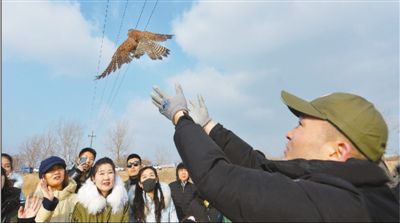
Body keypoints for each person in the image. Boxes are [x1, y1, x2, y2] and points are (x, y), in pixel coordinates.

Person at [151, 84, 399, 222]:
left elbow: (220, 180)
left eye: (301, 125)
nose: (289, 133)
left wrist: (181, 119)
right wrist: (209, 127)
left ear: (338, 150)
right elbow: (261, 167)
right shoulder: (357, 189)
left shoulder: (340, 205)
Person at [71, 157, 129, 222]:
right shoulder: (82, 205)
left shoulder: (122, 203)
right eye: (102, 173)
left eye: (110, 172)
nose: (106, 177)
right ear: (93, 178)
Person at [33, 156, 78, 222]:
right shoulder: (34, 201)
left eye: (60, 168)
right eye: (51, 170)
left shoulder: (77, 200)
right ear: (43, 177)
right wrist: (47, 205)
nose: (57, 172)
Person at [125, 153, 142, 222]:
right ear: (127, 168)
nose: (132, 167)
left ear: (141, 166)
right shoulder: (122, 188)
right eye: (129, 165)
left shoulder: (148, 185)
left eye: (136, 164)